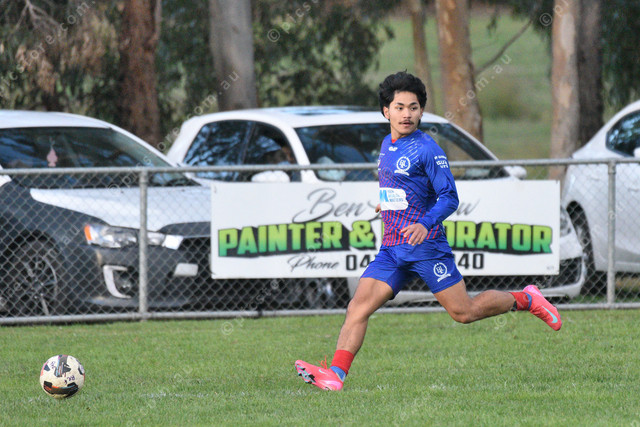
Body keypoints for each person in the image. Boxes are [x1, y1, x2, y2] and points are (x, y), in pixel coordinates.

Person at [294, 71, 562, 391]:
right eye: (399, 107)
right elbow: (404, 188)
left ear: (421, 111)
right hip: (393, 248)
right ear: (386, 111)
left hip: (427, 247)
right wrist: (388, 203)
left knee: (464, 312)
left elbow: (449, 197)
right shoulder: (387, 144)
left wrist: (424, 224)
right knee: (358, 307)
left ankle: (527, 298)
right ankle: (336, 375)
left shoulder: (428, 149)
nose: (406, 114)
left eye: (413, 107)